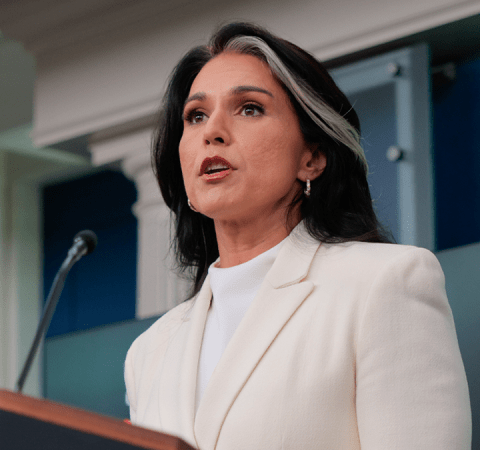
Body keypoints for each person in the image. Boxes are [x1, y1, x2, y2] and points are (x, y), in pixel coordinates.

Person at [124, 22, 471, 449]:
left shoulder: (384, 283)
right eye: (196, 115)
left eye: (249, 108)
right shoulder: (150, 351)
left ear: (312, 157)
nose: (211, 131)